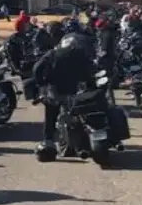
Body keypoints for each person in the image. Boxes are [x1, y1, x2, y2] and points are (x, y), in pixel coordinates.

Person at [33, 32, 96, 161]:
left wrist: (42, 83)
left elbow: (37, 68)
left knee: (50, 118)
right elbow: (90, 71)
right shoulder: (80, 55)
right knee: (78, 117)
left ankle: (48, 142)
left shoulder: (52, 53)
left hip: (53, 91)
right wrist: (90, 84)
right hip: (74, 92)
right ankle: (80, 145)